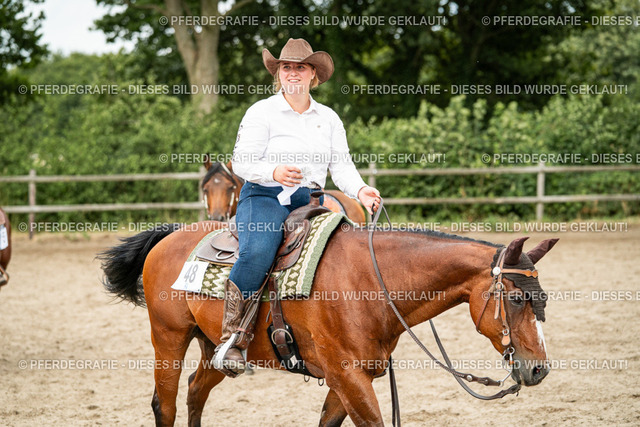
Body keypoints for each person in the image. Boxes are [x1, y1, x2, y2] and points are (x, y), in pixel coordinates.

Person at [213, 38, 381, 377]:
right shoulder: (261, 112)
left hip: (310, 200)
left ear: (313, 74)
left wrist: (361, 189)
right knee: (257, 252)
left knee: (348, 251)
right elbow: (242, 161)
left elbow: (342, 166)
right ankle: (232, 337)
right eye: (286, 67)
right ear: (278, 73)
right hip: (264, 196)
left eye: (300, 67)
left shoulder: (328, 118)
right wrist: (274, 172)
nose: (293, 73)